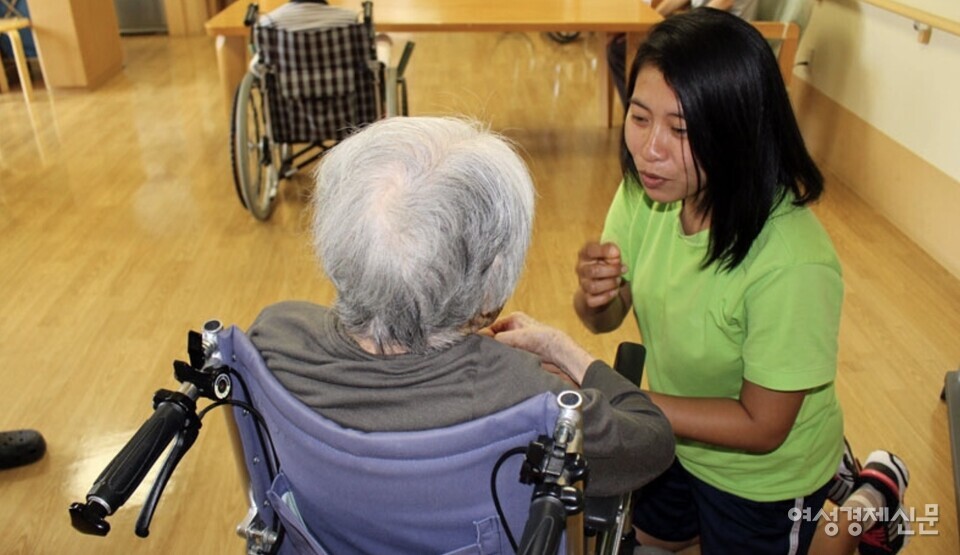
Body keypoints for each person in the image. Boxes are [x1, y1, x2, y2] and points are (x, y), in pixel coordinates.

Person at [492, 9, 908, 554]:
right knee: (650, 540)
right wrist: (596, 297)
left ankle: (869, 496)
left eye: (681, 130)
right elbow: (607, 316)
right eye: (639, 118)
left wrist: (615, 394)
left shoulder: (793, 262)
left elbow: (762, 427)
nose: (650, 149)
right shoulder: (650, 191)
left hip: (763, 474)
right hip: (671, 436)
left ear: (739, 131)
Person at [247, 116, 675, 500]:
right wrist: (565, 351)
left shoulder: (275, 338)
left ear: (335, 244)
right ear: (491, 287)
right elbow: (651, 442)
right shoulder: (529, 400)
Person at [607, 0, 758, 108]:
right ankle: (642, 113)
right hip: (702, 29)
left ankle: (651, 115)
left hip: (726, 38)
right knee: (620, 48)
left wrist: (681, 24)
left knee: (634, 52)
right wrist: (649, 23)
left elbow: (724, 2)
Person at [256, 0, 358, 32]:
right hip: (340, 81)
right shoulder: (350, 20)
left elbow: (258, 68)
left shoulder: (269, 22)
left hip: (288, 82)